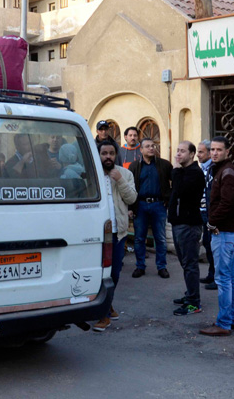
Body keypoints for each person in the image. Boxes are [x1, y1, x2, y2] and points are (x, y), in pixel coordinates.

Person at [199, 136, 234, 337]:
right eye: (213, 150)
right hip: (227, 231)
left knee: (223, 278)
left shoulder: (227, 173)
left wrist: (211, 222)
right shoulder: (221, 170)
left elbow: (227, 203)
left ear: (227, 152)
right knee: (230, 276)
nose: (215, 153)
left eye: (219, 150)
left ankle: (224, 323)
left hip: (224, 232)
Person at [93, 140, 137, 332]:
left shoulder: (125, 173)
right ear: (99, 154)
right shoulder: (92, 172)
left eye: (111, 153)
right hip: (97, 233)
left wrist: (119, 179)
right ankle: (103, 313)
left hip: (118, 233)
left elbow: (132, 199)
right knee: (100, 274)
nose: (108, 157)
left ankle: (107, 303)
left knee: (115, 273)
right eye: (104, 153)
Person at [168, 141, 206, 316]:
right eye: (177, 151)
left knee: (190, 264)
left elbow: (180, 190)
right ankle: (190, 295)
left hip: (189, 225)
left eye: (182, 151)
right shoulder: (183, 172)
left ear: (192, 155)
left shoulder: (195, 173)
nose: (178, 154)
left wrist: (175, 169)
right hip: (179, 223)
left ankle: (193, 303)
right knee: (185, 263)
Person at [128, 138, 173, 278]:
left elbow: (174, 183)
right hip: (140, 205)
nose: (151, 148)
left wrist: (168, 199)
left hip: (158, 204)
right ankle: (140, 266)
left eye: (153, 146)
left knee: (160, 238)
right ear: (141, 150)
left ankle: (162, 267)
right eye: (147, 146)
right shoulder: (134, 166)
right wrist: (130, 207)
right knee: (139, 238)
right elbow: (129, 187)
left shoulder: (164, 165)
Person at [197, 139, 216, 289]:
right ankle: (212, 274)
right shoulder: (203, 168)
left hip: (210, 213)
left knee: (213, 245)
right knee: (208, 244)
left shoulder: (213, 169)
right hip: (203, 211)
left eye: (201, 152)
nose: (198, 155)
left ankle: (217, 278)